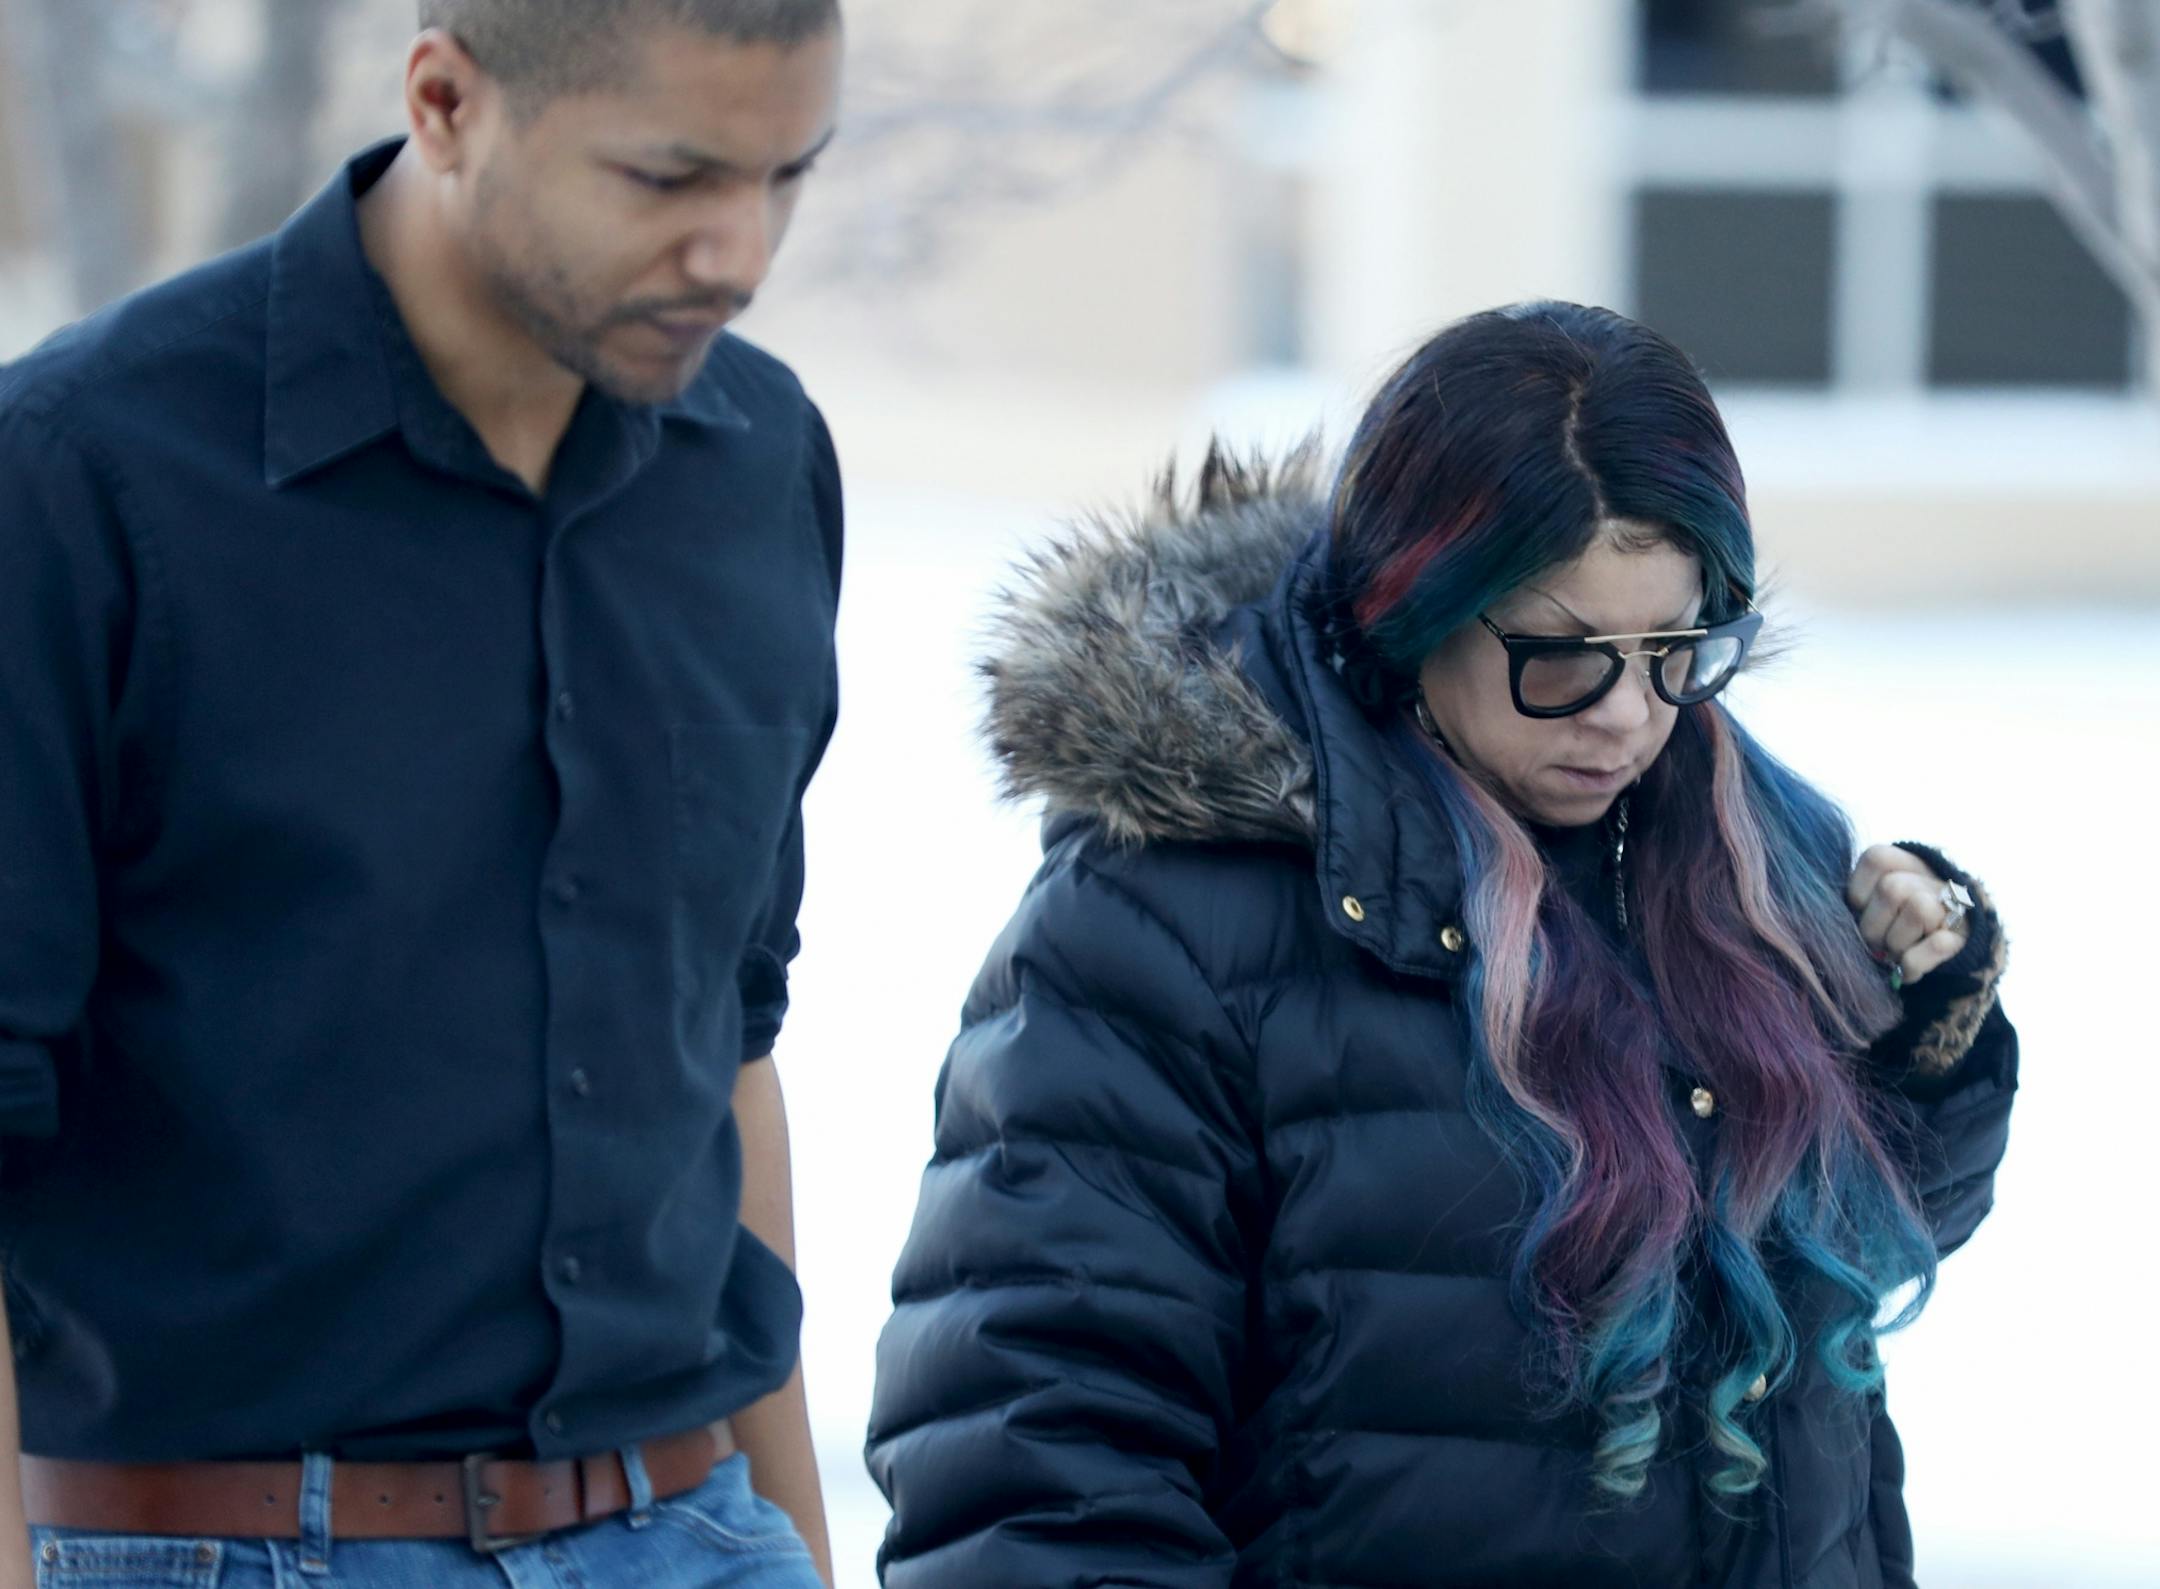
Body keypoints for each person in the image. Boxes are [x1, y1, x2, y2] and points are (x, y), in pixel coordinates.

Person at [867, 303, 2016, 1588]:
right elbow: (1039, 1463)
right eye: (1561, 657)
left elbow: (1842, 1261)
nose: (1627, 717)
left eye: (1675, 649)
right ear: (1414, 609)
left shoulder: (1741, 853)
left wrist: (1924, 1038)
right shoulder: (1170, 926)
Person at [0, 2, 845, 1584]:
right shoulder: (79, 472)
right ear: (447, 101)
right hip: (232, 1545)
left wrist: (800, 1546)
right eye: (668, 178)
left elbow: (726, 1047)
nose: (738, 253)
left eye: (786, 174)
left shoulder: (764, 462)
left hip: (698, 1524)